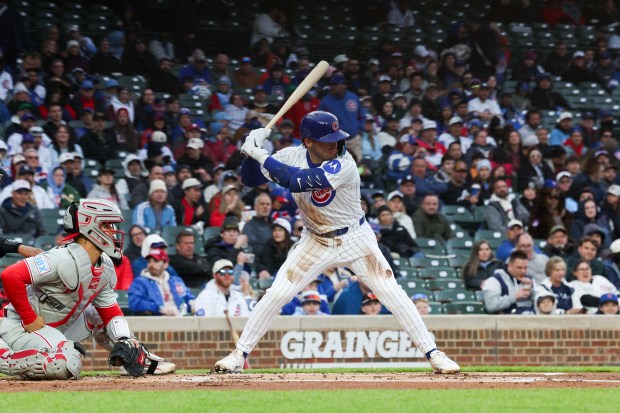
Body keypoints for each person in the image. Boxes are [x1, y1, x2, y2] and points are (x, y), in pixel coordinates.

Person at [213, 111, 460, 374]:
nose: (335, 144)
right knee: (278, 293)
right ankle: (239, 354)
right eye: (326, 139)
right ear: (308, 142)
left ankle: (433, 353)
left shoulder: (345, 163)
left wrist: (260, 154)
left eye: (336, 137)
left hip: (355, 236)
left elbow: (297, 181)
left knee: (391, 292)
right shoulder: (290, 156)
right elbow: (251, 179)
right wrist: (251, 151)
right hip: (315, 239)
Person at [0, 199, 175, 379]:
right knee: (66, 363)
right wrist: (29, 318)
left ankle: (136, 360)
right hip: (19, 327)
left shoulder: (104, 265)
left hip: (56, 327)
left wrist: (124, 340)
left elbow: (110, 312)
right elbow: (11, 275)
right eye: (107, 225)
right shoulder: (60, 257)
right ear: (90, 226)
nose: (113, 231)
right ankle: (4, 356)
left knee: (98, 316)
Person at [128, 248, 194, 316]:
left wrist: (192, 302)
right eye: (149, 261)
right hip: (157, 321)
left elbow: (188, 297)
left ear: (165, 264)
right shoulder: (140, 282)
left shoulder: (176, 281)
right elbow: (134, 303)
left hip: (181, 318)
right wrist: (160, 309)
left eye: (156, 261)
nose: (151, 265)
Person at [482, 250, 536, 314]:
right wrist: (515, 297)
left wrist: (532, 292)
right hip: (506, 320)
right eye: (519, 268)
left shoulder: (529, 280)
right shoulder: (494, 281)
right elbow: (490, 305)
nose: (523, 271)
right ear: (509, 266)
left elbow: (541, 302)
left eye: (525, 268)